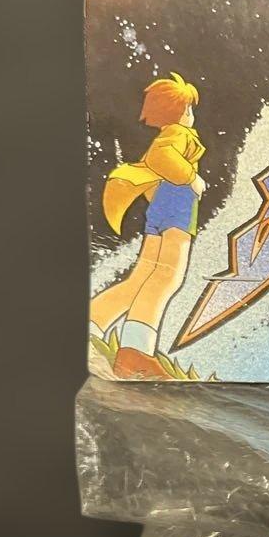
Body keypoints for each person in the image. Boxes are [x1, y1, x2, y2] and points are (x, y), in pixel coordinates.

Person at [91, 72, 206, 379]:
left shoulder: (166, 135)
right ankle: (136, 352)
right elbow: (160, 158)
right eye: (188, 108)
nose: (191, 114)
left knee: (142, 277)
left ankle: (92, 324)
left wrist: (160, 200)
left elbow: (151, 168)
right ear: (180, 111)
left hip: (161, 207)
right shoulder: (178, 133)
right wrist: (192, 179)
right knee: (167, 277)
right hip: (177, 206)